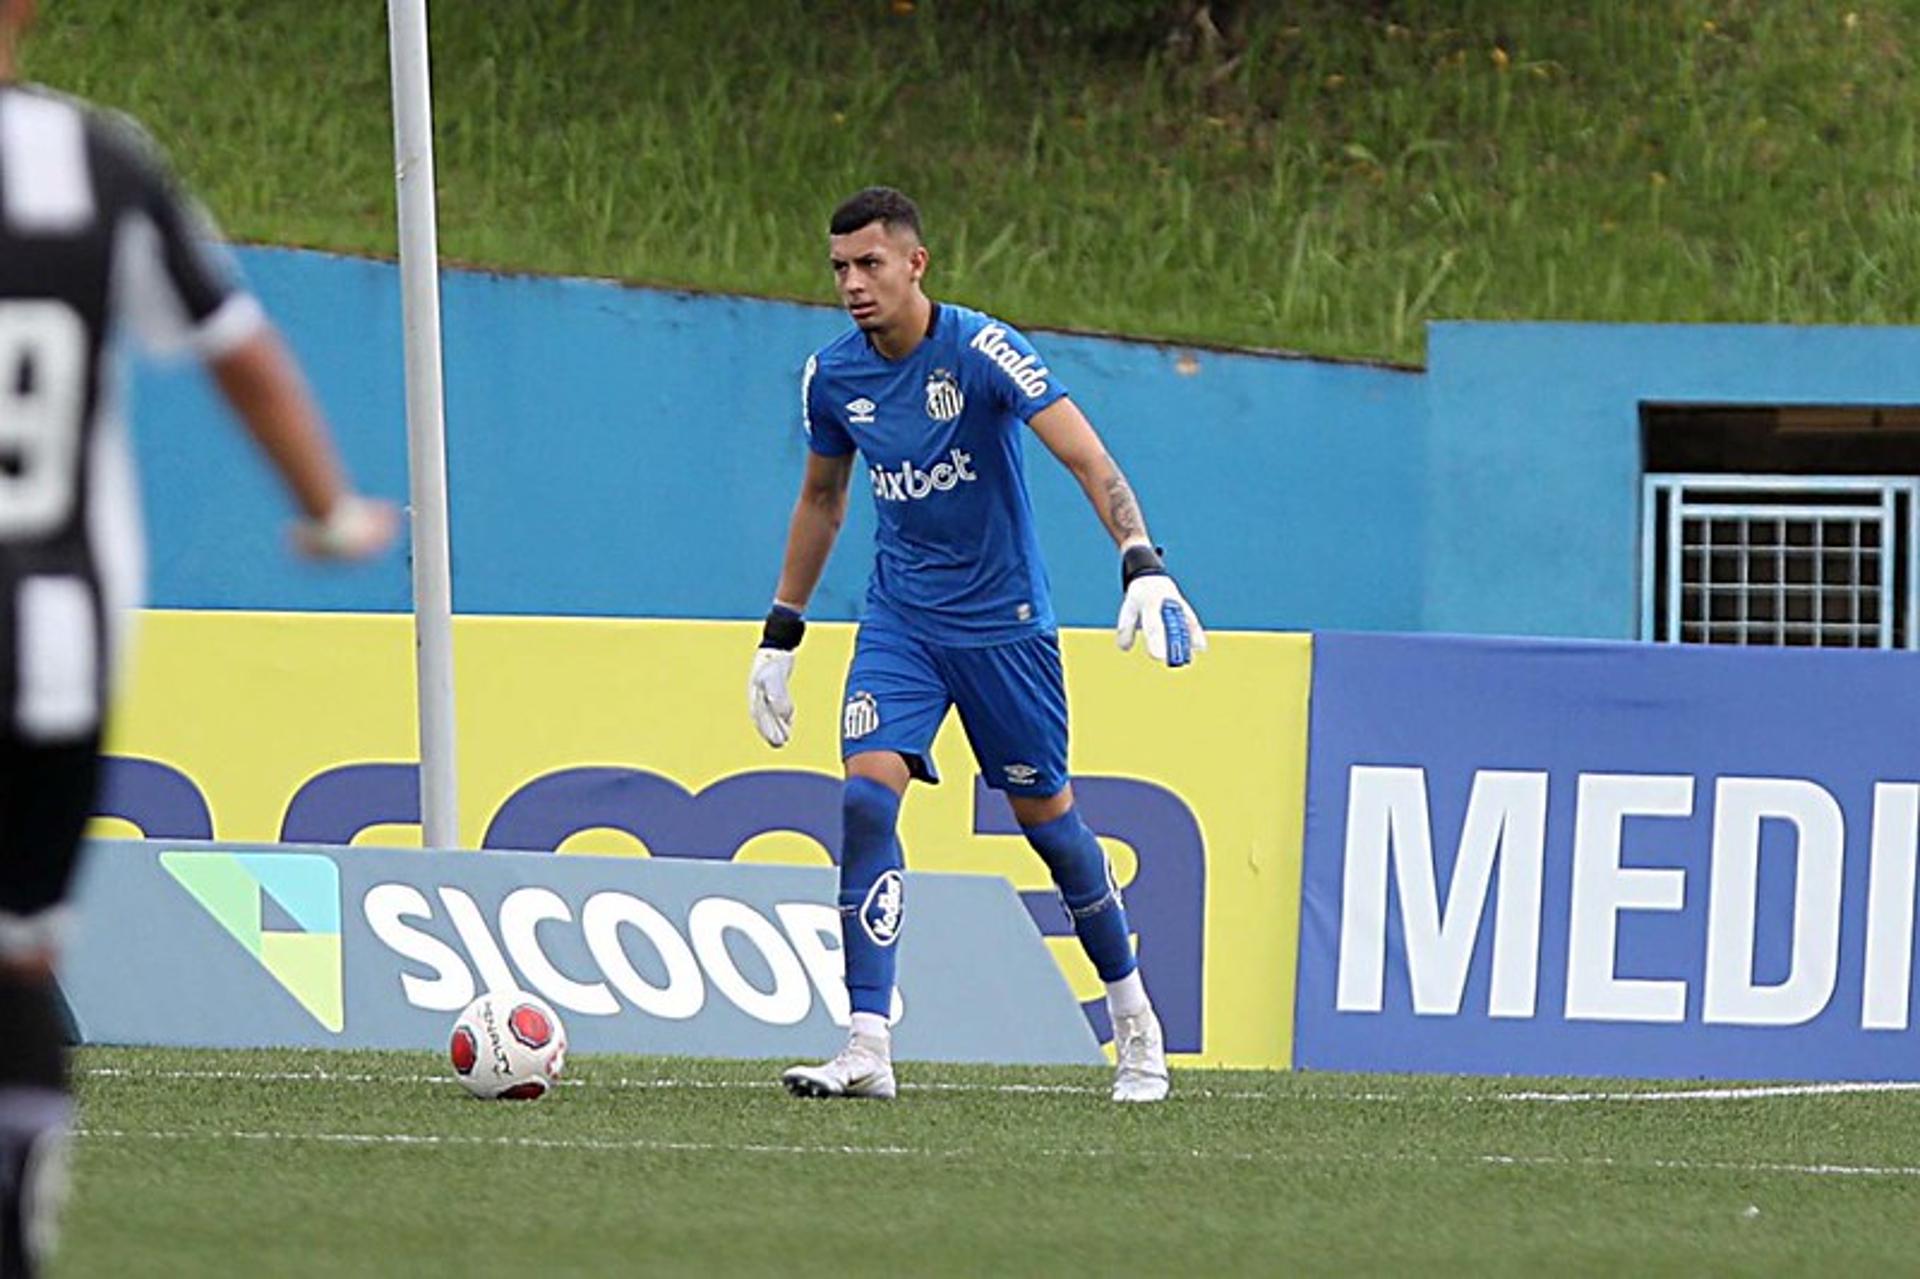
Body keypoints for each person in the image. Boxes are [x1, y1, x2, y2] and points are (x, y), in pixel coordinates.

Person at [0, 1, 396, 1270]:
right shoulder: (99, 162)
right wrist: (331, 511)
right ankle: (19, 1192)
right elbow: (243, 354)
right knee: (20, 952)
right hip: (50, 650)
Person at [748, 186, 1204, 1105]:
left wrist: (1140, 559)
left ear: (917, 263)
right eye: (838, 267)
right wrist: (781, 631)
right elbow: (823, 500)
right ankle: (867, 1041)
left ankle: (1134, 1023)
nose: (852, 284)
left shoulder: (986, 349)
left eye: (870, 263)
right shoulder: (832, 378)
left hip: (1005, 630)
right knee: (866, 799)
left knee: (1055, 832)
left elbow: (1086, 455)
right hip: (902, 624)